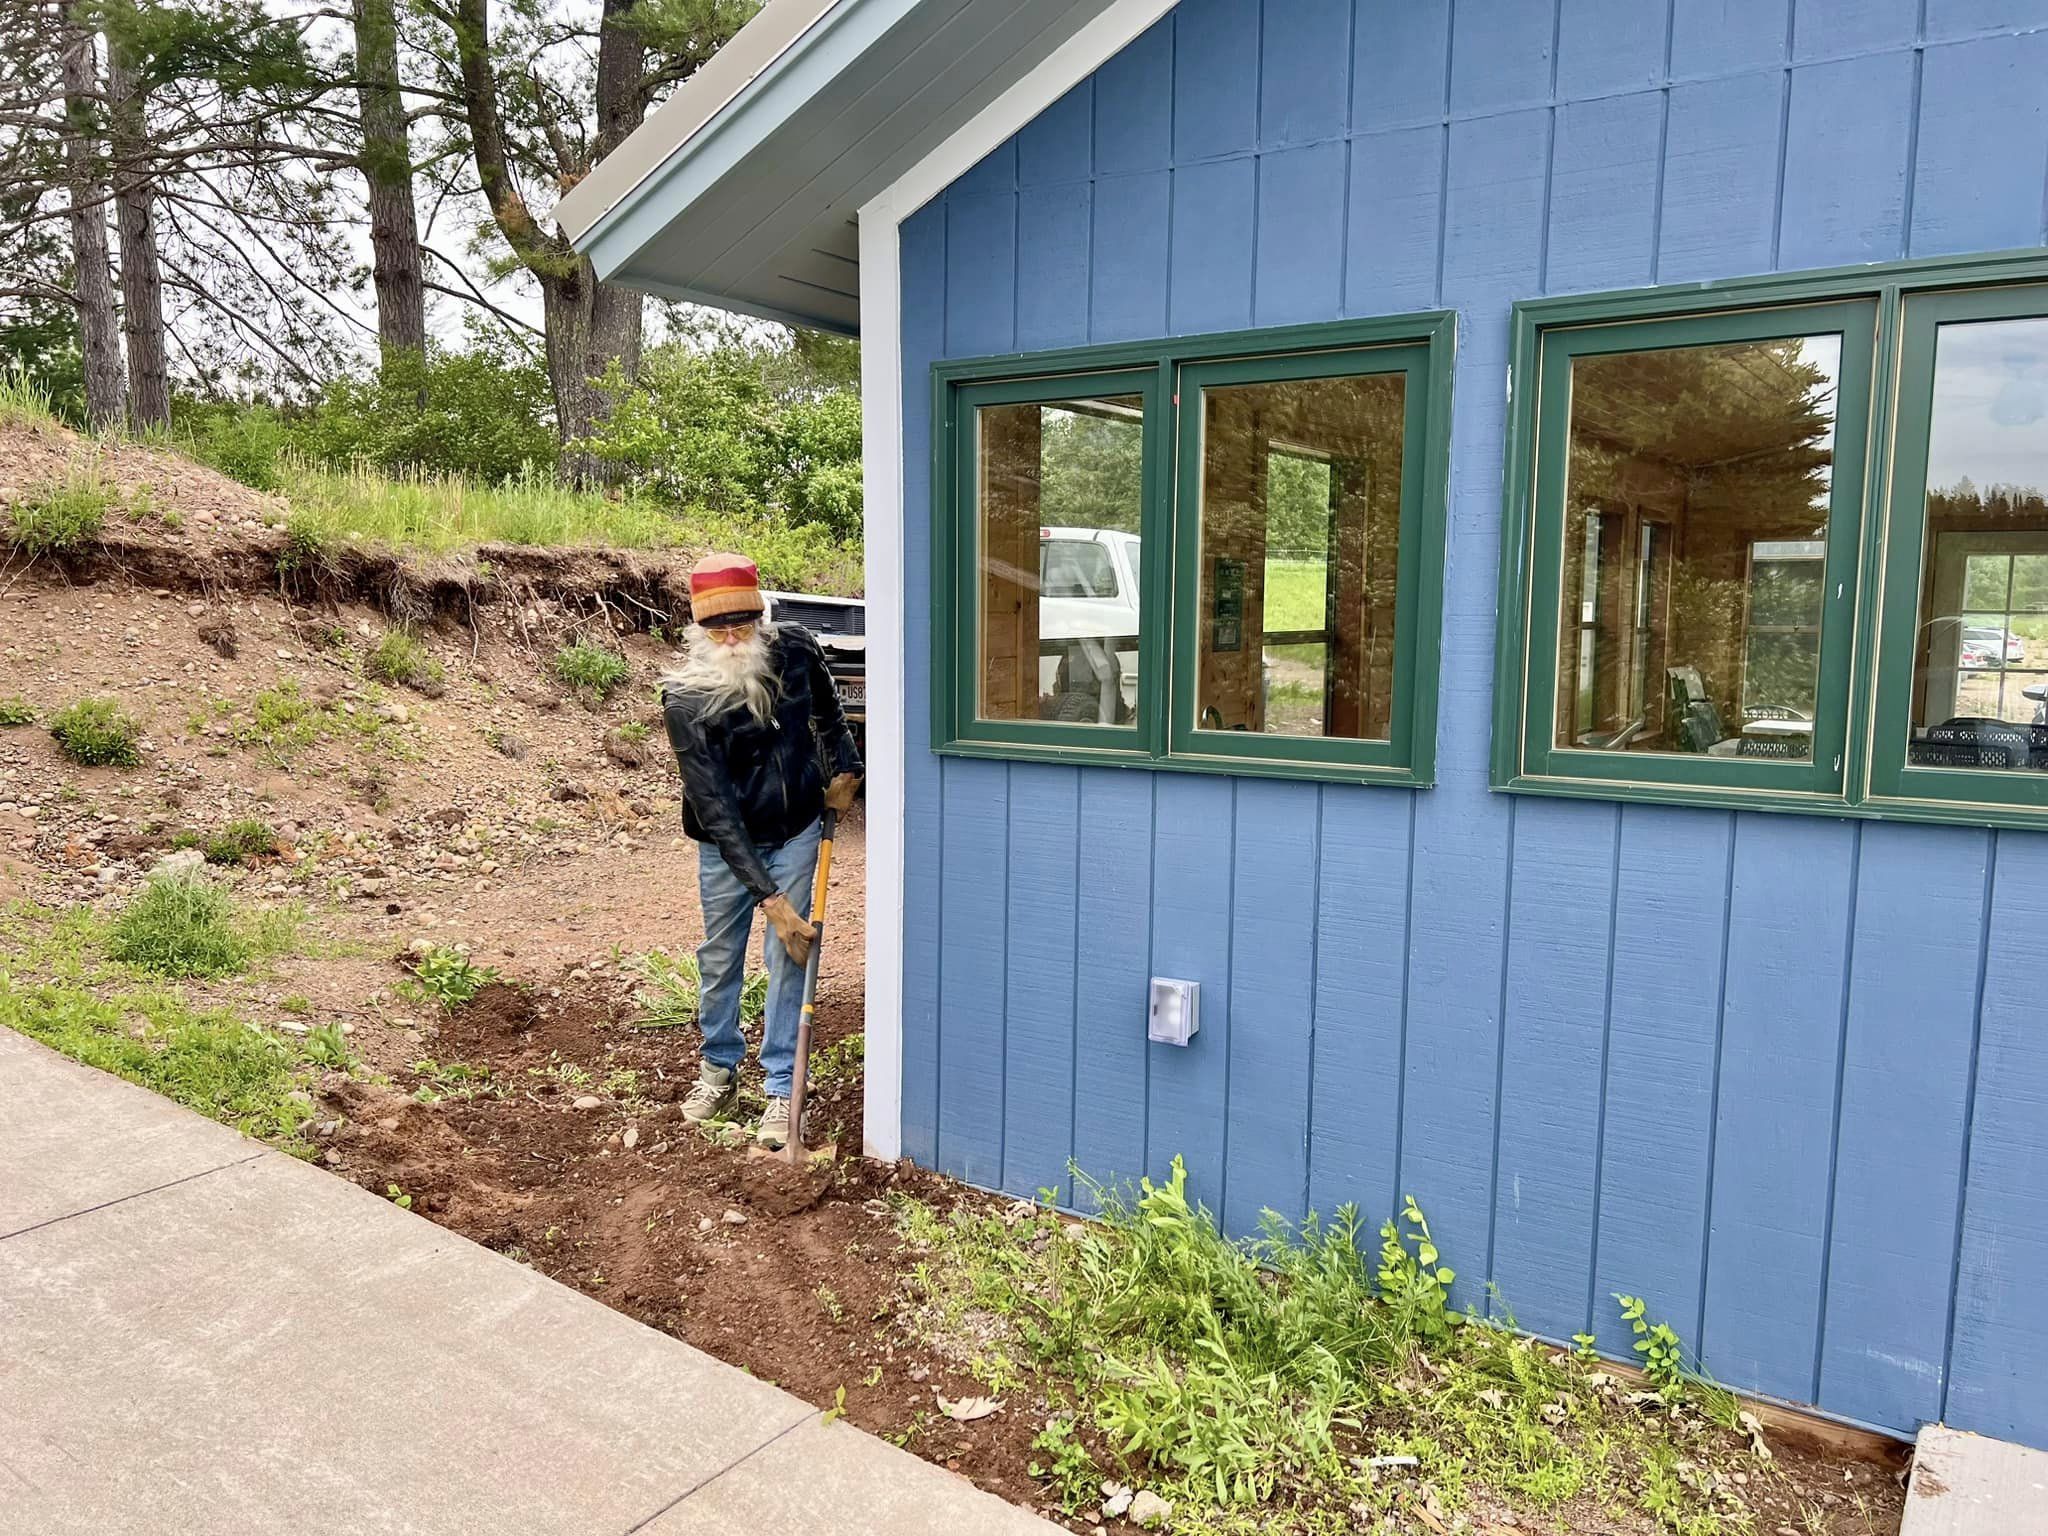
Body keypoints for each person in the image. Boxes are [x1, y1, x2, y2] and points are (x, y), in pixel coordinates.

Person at [659, 552, 861, 1149]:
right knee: (721, 956)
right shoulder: (685, 701)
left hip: (797, 827)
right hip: (728, 847)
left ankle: (780, 1086)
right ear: (698, 629)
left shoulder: (796, 649)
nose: (731, 638)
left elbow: (829, 713)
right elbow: (716, 810)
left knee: (790, 953)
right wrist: (771, 901)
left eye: (742, 624)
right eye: (717, 628)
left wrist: (846, 769)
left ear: (760, 617)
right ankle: (719, 1070)